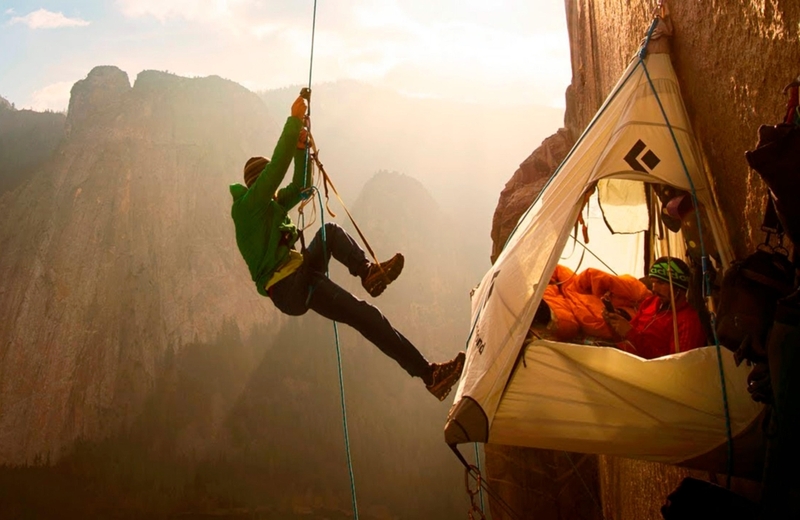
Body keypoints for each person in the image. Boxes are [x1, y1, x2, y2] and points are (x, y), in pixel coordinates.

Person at [229, 94, 465, 401]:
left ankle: (368, 273)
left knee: (330, 233)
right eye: (266, 187)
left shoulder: (269, 206)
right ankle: (429, 374)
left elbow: (300, 188)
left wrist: (301, 150)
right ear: (256, 186)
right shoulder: (248, 210)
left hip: (298, 277)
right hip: (290, 288)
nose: (273, 193)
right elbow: (275, 171)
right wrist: (294, 121)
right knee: (366, 316)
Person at [603, 256, 706, 359]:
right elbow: (625, 338)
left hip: (645, 369)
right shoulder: (650, 303)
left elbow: (675, 365)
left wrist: (630, 332)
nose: (654, 288)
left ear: (678, 287)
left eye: (660, 283)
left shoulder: (688, 321)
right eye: (653, 282)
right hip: (625, 354)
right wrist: (613, 325)